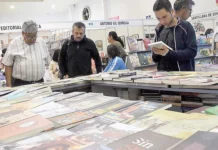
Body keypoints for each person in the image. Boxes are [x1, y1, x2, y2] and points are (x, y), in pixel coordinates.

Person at [2, 20, 51, 87]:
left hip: (39, 83)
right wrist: (8, 85)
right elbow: (8, 64)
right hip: (20, 84)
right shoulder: (14, 43)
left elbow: (47, 63)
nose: (32, 39)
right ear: (23, 33)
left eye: (34, 36)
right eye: (29, 36)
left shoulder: (42, 43)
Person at [152, 0, 197, 71]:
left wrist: (169, 53)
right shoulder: (159, 29)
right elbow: (156, 59)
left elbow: (192, 51)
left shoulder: (185, 26)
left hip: (182, 76)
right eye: (158, 18)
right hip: (163, 76)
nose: (162, 22)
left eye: (164, 17)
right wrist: (155, 53)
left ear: (172, 11)